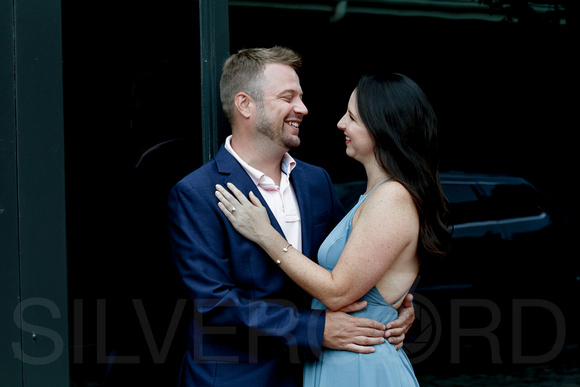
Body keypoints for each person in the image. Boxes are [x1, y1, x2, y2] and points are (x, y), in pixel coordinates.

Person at [167, 47, 416, 387]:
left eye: (301, 97)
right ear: (245, 105)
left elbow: (356, 260)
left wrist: (397, 304)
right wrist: (316, 329)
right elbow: (216, 304)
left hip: (314, 374)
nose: (303, 108)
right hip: (235, 378)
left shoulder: (316, 182)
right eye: (288, 97)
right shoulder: (196, 192)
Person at [215, 73, 451, 385]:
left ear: (383, 128)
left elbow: (338, 291)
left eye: (352, 117)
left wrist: (266, 234)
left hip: (360, 367)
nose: (341, 124)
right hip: (341, 359)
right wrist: (399, 306)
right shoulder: (373, 197)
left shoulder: (392, 197)